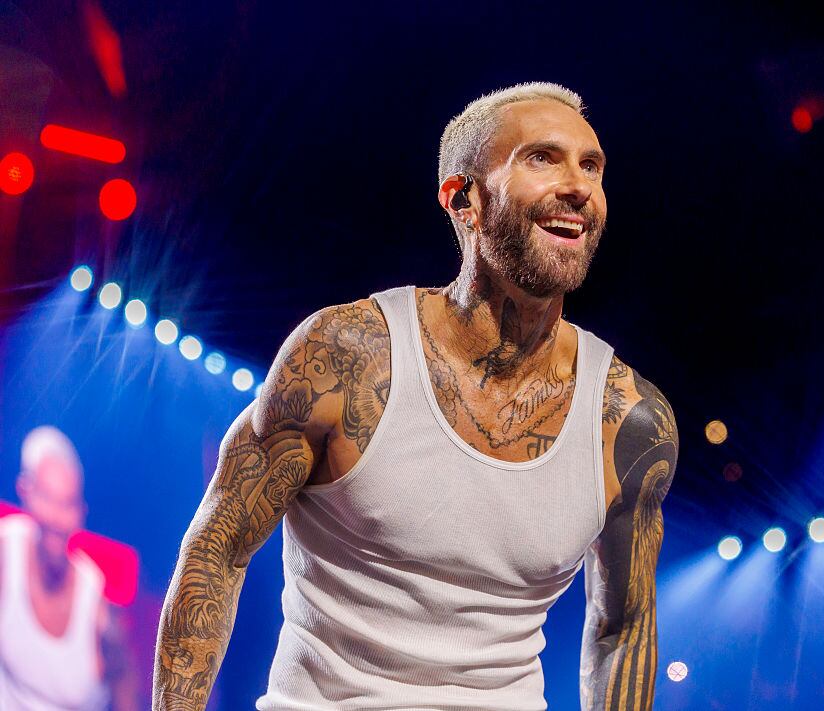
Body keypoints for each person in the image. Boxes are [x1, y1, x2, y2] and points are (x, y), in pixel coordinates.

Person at [153, 81, 679, 710]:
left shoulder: (628, 420)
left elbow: (623, 629)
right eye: (543, 158)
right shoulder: (345, 356)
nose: (578, 186)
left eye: (591, 166)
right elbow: (219, 547)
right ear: (465, 201)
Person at [0, 425, 134, 710]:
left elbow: (124, 680)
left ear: (82, 512)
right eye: (47, 498)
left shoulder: (96, 595)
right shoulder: (5, 548)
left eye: (68, 504)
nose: (57, 518)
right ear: (24, 490)